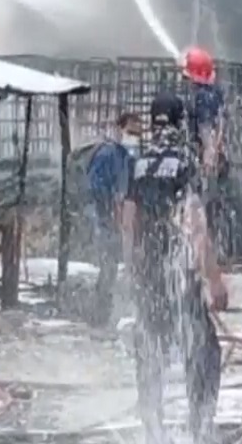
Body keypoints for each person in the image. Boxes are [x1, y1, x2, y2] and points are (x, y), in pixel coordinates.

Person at [127, 91, 227, 444]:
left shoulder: (139, 164)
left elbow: (128, 221)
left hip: (150, 273)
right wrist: (213, 279)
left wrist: (134, 269)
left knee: (150, 350)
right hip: (180, 273)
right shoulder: (186, 162)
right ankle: (200, 430)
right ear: (181, 122)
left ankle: (153, 431)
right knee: (203, 350)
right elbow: (195, 224)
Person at [85, 112, 140, 326]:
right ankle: (99, 315)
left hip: (118, 220)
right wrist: (111, 210)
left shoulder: (126, 156)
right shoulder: (106, 154)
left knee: (115, 266)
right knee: (108, 267)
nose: (134, 137)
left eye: (137, 133)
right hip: (104, 219)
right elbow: (96, 187)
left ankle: (107, 314)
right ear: (119, 129)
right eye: (130, 131)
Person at [180, 47, 230, 254]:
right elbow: (220, 126)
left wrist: (208, 158)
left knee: (197, 213)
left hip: (203, 162)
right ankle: (209, 256)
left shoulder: (201, 97)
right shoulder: (215, 94)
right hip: (215, 161)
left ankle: (200, 259)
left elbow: (206, 128)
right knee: (210, 214)